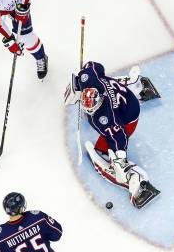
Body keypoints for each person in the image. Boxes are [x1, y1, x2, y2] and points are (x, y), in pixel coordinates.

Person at [64, 61, 160, 208]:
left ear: (99, 101)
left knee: (105, 146)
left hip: (129, 116)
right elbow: (94, 66)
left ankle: (127, 174)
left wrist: (120, 158)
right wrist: (81, 78)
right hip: (124, 95)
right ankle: (134, 85)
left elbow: (118, 135)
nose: (89, 110)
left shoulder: (104, 118)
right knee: (110, 83)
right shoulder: (89, 79)